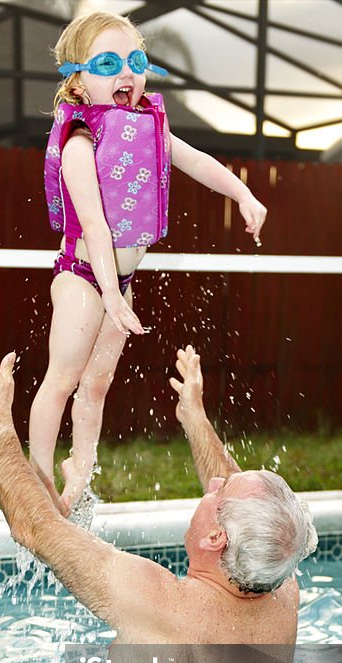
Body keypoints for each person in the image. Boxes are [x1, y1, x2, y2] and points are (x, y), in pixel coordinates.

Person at [0, 339, 317, 663]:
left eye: (219, 491)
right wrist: (194, 418)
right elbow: (260, 518)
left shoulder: (157, 601)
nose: (212, 482)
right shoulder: (281, 588)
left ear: (216, 539)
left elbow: (34, 527)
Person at [30, 10, 268, 515]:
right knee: (63, 380)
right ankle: (38, 478)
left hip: (120, 280)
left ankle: (79, 477)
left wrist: (243, 193)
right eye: (108, 62)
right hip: (83, 279)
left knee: (96, 385)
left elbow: (198, 160)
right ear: (76, 78)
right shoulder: (78, 140)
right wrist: (111, 298)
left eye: (135, 60)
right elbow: (94, 225)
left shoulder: (146, 129)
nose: (127, 73)